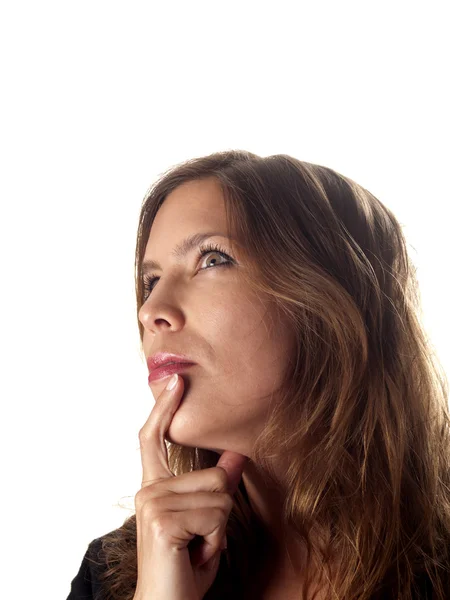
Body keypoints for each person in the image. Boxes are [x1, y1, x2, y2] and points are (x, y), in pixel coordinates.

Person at [67, 150, 449, 599]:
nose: (152, 311)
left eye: (212, 260)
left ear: (328, 305)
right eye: (151, 281)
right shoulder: (115, 575)